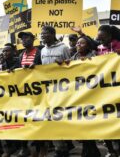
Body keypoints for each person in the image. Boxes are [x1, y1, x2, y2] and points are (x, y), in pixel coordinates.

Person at [40, 26, 71, 157]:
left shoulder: (63, 48)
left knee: (62, 118)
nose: (42, 36)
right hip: (49, 91)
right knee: (52, 118)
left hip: (63, 90)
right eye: (41, 34)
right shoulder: (42, 50)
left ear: (53, 34)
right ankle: (60, 147)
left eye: (45, 33)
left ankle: (64, 146)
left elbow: (72, 66)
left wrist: (63, 64)